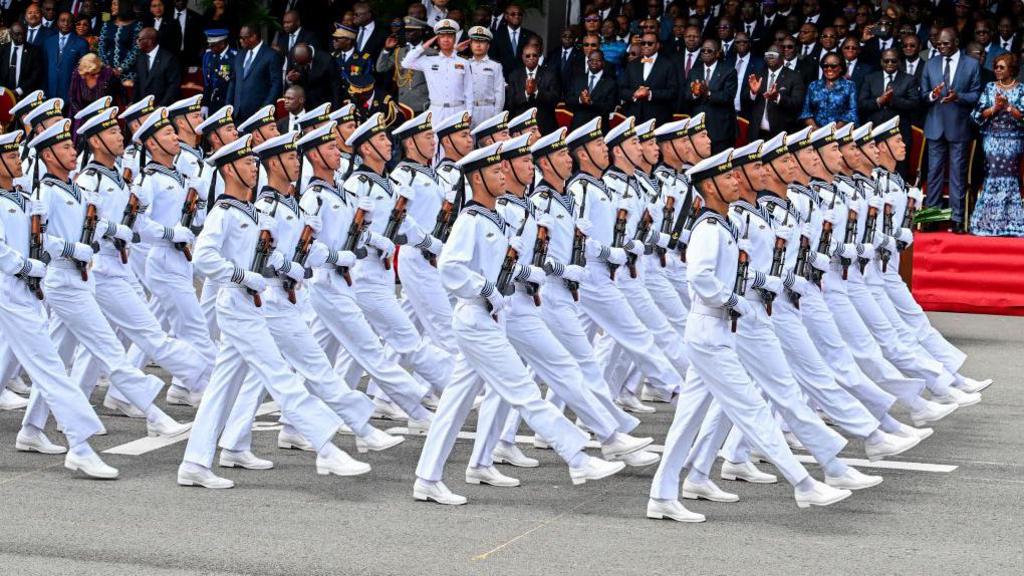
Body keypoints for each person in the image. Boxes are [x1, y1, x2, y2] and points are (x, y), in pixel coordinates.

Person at [0, 128, 115, 479]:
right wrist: (26, 266)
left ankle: (37, 432)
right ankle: (80, 445)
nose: (18, 159)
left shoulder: (21, 197)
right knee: (50, 368)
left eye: (19, 153)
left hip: (22, 292)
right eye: (10, 155)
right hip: (10, 291)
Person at [921, 28, 981, 234]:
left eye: (945, 43)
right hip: (935, 125)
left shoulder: (971, 64)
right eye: (938, 44)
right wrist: (932, 95)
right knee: (934, 173)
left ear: (956, 42)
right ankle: (931, 218)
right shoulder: (930, 64)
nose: (941, 47)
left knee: (958, 175)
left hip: (959, 126)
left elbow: (976, 96)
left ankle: (957, 219)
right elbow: (923, 95)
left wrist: (959, 97)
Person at [970, 53, 1024, 237]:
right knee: (992, 176)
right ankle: (987, 223)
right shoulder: (990, 87)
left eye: (1002, 67)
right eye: (996, 67)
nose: (998, 70)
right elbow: (977, 115)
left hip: (1013, 141)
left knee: (1010, 178)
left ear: (1012, 69)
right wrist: (995, 108)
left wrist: (1008, 106)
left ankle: (1011, 224)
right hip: (992, 140)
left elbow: (1023, 117)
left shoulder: (1021, 89)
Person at [402, 19, 473, 130]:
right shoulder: (428, 60)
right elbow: (405, 63)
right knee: (435, 144)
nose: (446, 39)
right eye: (442, 36)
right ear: (437, 40)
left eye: (449, 36)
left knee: (457, 144)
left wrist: (469, 112)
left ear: (454, 39)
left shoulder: (464, 62)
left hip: (458, 109)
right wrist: (424, 46)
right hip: (436, 110)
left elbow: (469, 90)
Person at [684, 38, 738, 153]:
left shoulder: (729, 71)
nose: (705, 53)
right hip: (699, 128)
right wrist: (695, 94)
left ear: (717, 53)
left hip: (720, 130)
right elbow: (686, 96)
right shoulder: (694, 71)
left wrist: (708, 93)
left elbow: (728, 97)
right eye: (703, 50)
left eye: (709, 51)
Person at [745, 44, 805, 140]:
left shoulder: (794, 77)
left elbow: (797, 104)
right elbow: (745, 101)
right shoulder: (757, 74)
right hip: (757, 133)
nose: (771, 57)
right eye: (768, 55)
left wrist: (777, 97)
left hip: (780, 134)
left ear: (782, 57)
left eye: (774, 55)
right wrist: (753, 93)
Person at [226, 23, 283, 123]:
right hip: (237, 114)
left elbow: (276, 85)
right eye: (240, 38)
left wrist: (264, 109)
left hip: (258, 115)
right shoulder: (240, 55)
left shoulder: (271, 55)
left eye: (244, 38)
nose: (241, 41)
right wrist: (228, 106)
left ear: (254, 36)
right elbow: (233, 81)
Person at [621, 32, 678, 124]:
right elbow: (622, 89)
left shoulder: (668, 65)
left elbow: (673, 92)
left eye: (650, 43)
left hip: (658, 118)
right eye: (643, 43)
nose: (646, 46)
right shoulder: (632, 64)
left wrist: (650, 93)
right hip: (634, 118)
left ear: (658, 45)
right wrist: (634, 94)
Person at [377, 16, 430, 115]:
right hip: (403, 104)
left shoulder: (431, 53)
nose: (407, 33)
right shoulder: (400, 51)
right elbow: (381, 68)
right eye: (406, 30)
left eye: (411, 31)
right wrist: (387, 49)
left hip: (422, 104)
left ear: (421, 32)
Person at [505, 43, 559, 134]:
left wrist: (537, 92)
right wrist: (526, 93)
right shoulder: (514, 75)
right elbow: (510, 102)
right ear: (522, 57)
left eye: (534, 55)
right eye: (528, 55)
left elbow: (554, 99)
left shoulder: (550, 74)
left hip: (544, 126)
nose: (531, 58)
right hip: (521, 126)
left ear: (539, 56)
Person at [800, 52, 857, 128]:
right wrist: (817, 131)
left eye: (833, 66)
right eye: (825, 66)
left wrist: (833, 131)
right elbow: (806, 112)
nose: (829, 69)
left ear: (841, 68)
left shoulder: (849, 86)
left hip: (840, 132)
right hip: (816, 133)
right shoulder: (813, 85)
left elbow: (852, 112)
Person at [42, 11, 89, 102]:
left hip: (71, 92)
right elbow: (44, 68)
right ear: (57, 22)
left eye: (69, 21)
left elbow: (84, 71)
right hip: (50, 92)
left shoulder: (81, 43)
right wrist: (44, 91)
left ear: (73, 23)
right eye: (62, 20)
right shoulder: (48, 42)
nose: (66, 24)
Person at [565, 49, 617, 131]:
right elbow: (568, 100)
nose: (594, 62)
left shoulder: (611, 82)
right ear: (587, 62)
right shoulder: (578, 79)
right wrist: (580, 100)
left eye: (598, 60)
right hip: (578, 127)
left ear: (603, 63)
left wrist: (592, 102)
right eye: (591, 60)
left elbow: (610, 106)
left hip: (598, 128)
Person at [68, 54, 119, 134]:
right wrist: (82, 115)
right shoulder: (77, 75)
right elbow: (72, 98)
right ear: (84, 74)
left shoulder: (108, 74)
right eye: (92, 74)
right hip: (83, 116)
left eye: (98, 73)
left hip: (104, 116)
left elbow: (116, 98)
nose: (96, 76)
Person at [132, 26, 181, 106]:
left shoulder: (169, 59)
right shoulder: (140, 57)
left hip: (162, 108)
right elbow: (137, 83)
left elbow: (173, 86)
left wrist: (161, 106)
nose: (137, 42)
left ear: (150, 41)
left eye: (140, 39)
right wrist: (134, 103)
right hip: (144, 107)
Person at [98, 0, 143, 84]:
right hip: (107, 72)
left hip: (128, 73)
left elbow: (136, 49)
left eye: (115, 4)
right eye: (111, 4)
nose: (112, 7)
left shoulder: (137, 25)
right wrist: (107, 67)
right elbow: (101, 47)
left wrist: (120, 69)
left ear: (123, 6)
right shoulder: (106, 24)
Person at [285, 43, 340, 110]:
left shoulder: (327, 60)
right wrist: (290, 80)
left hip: (322, 105)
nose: (301, 66)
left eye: (304, 64)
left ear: (310, 57)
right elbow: (290, 77)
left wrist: (336, 109)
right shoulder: (294, 54)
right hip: (303, 106)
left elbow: (335, 86)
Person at [0, 22, 45, 98]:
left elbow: (35, 74)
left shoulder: (33, 51)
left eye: (23, 34)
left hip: (25, 94)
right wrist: (5, 91)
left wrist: (19, 91)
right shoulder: (3, 49)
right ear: (11, 34)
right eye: (17, 34)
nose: (21, 36)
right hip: (3, 94)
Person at [489, 3, 535, 77]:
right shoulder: (496, 36)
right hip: (502, 80)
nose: (516, 16)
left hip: (524, 80)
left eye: (519, 14)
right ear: (506, 16)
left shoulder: (530, 36)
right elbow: (492, 59)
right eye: (513, 14)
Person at [200, 28, 235, 114]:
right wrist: (205, 103)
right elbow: (207, 83)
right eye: (209, 45)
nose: (210, 48)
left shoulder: (234, 57)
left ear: (222, 43)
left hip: (228, 104)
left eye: (213, 45)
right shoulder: (208, 56)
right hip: (212, 103)